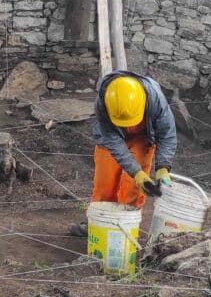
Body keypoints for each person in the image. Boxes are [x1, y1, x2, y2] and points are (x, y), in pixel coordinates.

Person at [70, 71, 178, 236]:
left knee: (132, 188)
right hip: (111, 137)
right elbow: (114, 143)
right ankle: (98, 225)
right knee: (104, 184)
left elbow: (167, 135)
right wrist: (137, 172)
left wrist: (163, 167)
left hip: (142, 137)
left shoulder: (155, 99)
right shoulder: (104, 101)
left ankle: (125, 229)